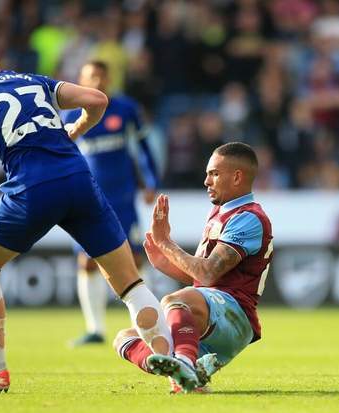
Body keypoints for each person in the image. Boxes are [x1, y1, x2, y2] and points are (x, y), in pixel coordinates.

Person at [0, 41, 173, 393]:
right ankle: (176, 367)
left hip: (31, 188)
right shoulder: (33, 81)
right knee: (130, 282)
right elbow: (98, 100)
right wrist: (76, 130)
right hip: (79, 179)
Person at [113, 142, 274, 393]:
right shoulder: (219, 213)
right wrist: (164, 261)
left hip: (234, 317)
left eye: (214, 173)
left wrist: (167, 244)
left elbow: (207, 273)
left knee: (176, 300)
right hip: (209, 315)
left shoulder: (248, 217)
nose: (206, 181)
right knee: (125, 338)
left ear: (237, 177)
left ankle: (183, 364)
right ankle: (183, 374)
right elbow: (201, 280)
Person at [63, 60, 158, 346]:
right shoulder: (70, 113)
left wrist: (151, 181)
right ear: (81, 79)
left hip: (123, 197)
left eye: (102, 76)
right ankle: (95, 329)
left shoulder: (126, 109)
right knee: (87, 261)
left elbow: (143, 148)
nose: (98, 81)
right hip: (87, 197)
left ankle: (145, 324)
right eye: (92, 76)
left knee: (136, 258)